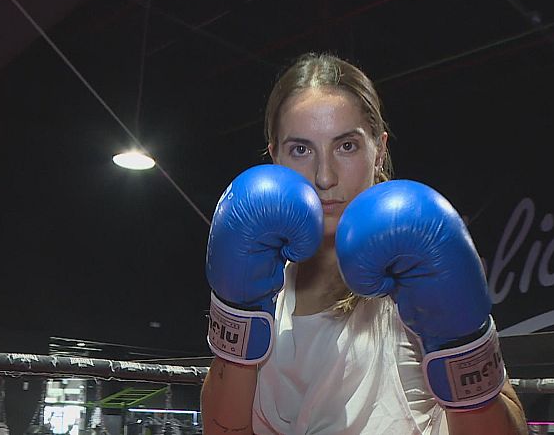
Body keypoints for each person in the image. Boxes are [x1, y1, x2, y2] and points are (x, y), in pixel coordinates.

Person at [201, 52, 527, 435]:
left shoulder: (414, 270)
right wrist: (236, 309)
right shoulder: (264, 286)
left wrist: (460, 343)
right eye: (301, 149)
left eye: (347, 146)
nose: (324, 176)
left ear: (379, 150)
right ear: (275, 158)